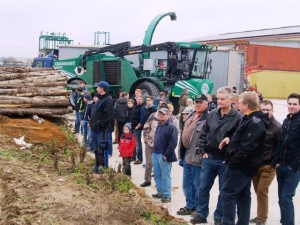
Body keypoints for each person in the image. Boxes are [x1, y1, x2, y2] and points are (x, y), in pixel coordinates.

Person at [191, 86, 242, 225]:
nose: (219, 101)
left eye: (223, 99)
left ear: (231, 99)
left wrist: (230, 142)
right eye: (218, 99)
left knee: (223, 191)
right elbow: (203, 133)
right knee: (203, 188)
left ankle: (219, 216)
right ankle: (201, 214)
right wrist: (202, 151)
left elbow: (239, 139)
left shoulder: (238, 118)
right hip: (209, 158)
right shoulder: (212, 114)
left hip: (225, 161)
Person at [219, 91, 268, 225]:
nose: (237, 105)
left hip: (241, 166)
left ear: (246, 105)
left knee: (228, 194)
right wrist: (230, 138)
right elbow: (240, 137)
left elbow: (247, 148)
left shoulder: (255, 122)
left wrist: (233, 163)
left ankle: (228, 222)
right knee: (243, 195)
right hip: (244, 166)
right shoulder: (247, 118)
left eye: (239, 103)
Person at [250, 100, 281, 225]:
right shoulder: (256, 123)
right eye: (263, 110)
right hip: (255, 165)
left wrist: (274, 163)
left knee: (262, 191)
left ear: (272, 111)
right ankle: (259, 216)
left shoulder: (277, 127)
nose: (265, 112)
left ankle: (262, 219)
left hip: (268, 166)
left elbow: (280, 147)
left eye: (268, 110)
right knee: (258, 191)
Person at [177, 94, 208, 216]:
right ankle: (189, 205)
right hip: (187, 155)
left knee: (198, 185)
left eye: (201, 102)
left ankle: (198, 208)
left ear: (206, 103)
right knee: (187, 184)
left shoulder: (208, 118)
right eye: (197, 102)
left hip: (197, 157)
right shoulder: (191, 115)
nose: (198, 104)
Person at [275, 93, 300, 225]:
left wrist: (294, 166)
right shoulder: (286, 121)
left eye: (294, 104)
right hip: (281, 166)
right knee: (281, 198)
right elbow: (280, 142)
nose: (291, 106)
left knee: (286, 197)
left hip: (293, 168)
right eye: (289, 104)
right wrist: (277, 161)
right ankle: (284, 222)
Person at [152, 108, 178, 203]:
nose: (161, 115)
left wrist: (166, 154)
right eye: (160, 114)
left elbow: (173, 143)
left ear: (168, 115)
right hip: (155, 153)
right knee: (157, 175)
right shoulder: (159, 125)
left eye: (163, 114)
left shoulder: (171, 127)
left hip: (164, 156)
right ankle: (160, 192)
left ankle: (167, 195)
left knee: (165, 176)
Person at [140, 102, 168, 188]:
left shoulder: (167, 120)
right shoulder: (152, 116)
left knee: (159, 165)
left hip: (160, 146)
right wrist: (146, 139)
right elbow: (146, 127)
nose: (161, 114)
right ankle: (147, 180)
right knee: (149, 163)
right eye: (160, 112)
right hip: (149, 143)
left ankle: (159, 182)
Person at [89, 81, 113, 172]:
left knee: (102, 149)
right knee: (96, 149)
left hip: (101, 130)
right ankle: (97, 166)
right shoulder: (100, 99)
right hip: (95, 129)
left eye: (98, 87)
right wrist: (92, 123)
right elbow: (96, 114)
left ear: (102, 89)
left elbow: (108, 116)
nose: (96, 88)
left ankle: (103, 168)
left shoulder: (108, 100)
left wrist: (100, 124)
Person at [131, 95, 147, 164]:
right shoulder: (135, 106)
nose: (139, 100)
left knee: (138, 144)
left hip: (137, 128)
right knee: (133, 143)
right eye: (138, 99)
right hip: (133, 126)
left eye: (140, 99)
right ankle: (133, 157)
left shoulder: (142, 108)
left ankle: (140, 159)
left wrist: (138, 126)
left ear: (142, 100)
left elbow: (143, 119)